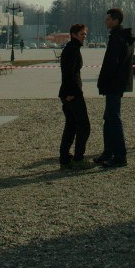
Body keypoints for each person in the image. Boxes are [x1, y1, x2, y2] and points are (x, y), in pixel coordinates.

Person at [95, 8, 135, 168]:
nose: (106, 22)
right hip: (117, 83)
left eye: (108, 19)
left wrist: (103, 81)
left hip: (114, 84)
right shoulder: (124, 37)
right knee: (108, 118)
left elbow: (112, 63)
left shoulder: (117, 38)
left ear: (116, 20)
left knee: (114, 118)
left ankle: (119, 155)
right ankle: (108, 151)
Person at [58, 23, 92, 170]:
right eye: (82, 34)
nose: (84, 36)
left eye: (85, 34)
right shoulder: (72, 50)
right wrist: (70, 93)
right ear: (73, 35)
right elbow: (68, 73)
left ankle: (65, 159)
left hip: (68, 92)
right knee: (84, 127)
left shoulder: (72, 48)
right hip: (72, 93)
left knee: (71, 126)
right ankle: (78, 158)